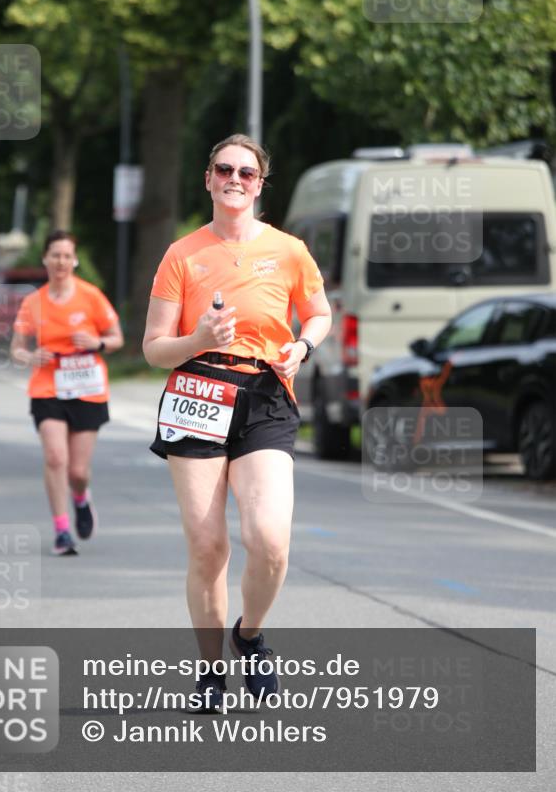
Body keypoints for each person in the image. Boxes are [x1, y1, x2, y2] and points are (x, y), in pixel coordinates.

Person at [143, 134, 332, 709]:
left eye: (247, 173)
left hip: (265, 395)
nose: (235, 179)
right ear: (207, 179)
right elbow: (153, 348)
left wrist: (301, 346)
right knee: (207, 548)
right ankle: (208, 671)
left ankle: (248, 635)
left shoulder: (290, 249)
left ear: (259, 184)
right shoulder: (182, 254)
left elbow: (320, 312)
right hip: (198, 388)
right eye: (224, 169)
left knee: (269, 540)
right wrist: (199, 337)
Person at [10, 231, 123, 556]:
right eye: (54, 255)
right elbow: (16, 348)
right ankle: (61, 530)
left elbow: (115, 338)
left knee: (77, 471)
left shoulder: (91, 296)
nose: (60, 261)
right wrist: (30, 357)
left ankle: (81, 498)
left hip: (87, 385)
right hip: (48, 386)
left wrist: (97, 343)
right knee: (55, 457)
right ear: (45, 259)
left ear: (74, 261)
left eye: (66, 255)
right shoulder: (34, 302)